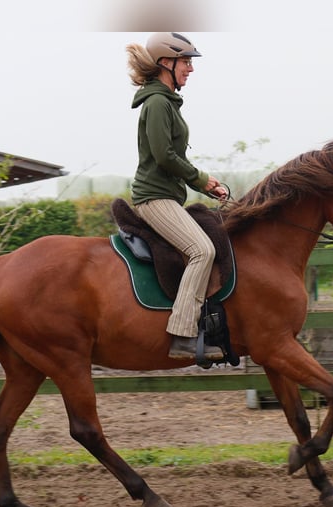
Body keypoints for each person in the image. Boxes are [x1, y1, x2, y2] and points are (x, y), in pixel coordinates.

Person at [125, 32, 229, 360]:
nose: (190, 69)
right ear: (165, 63)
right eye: (186, 62)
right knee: (201, 250)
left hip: (168, 196)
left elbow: (172, 158)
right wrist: (201, 178)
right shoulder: (157, 103)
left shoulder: (166, 101)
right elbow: (164, 155)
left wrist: (204, 185)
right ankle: (183, 335)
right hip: (154, 199)